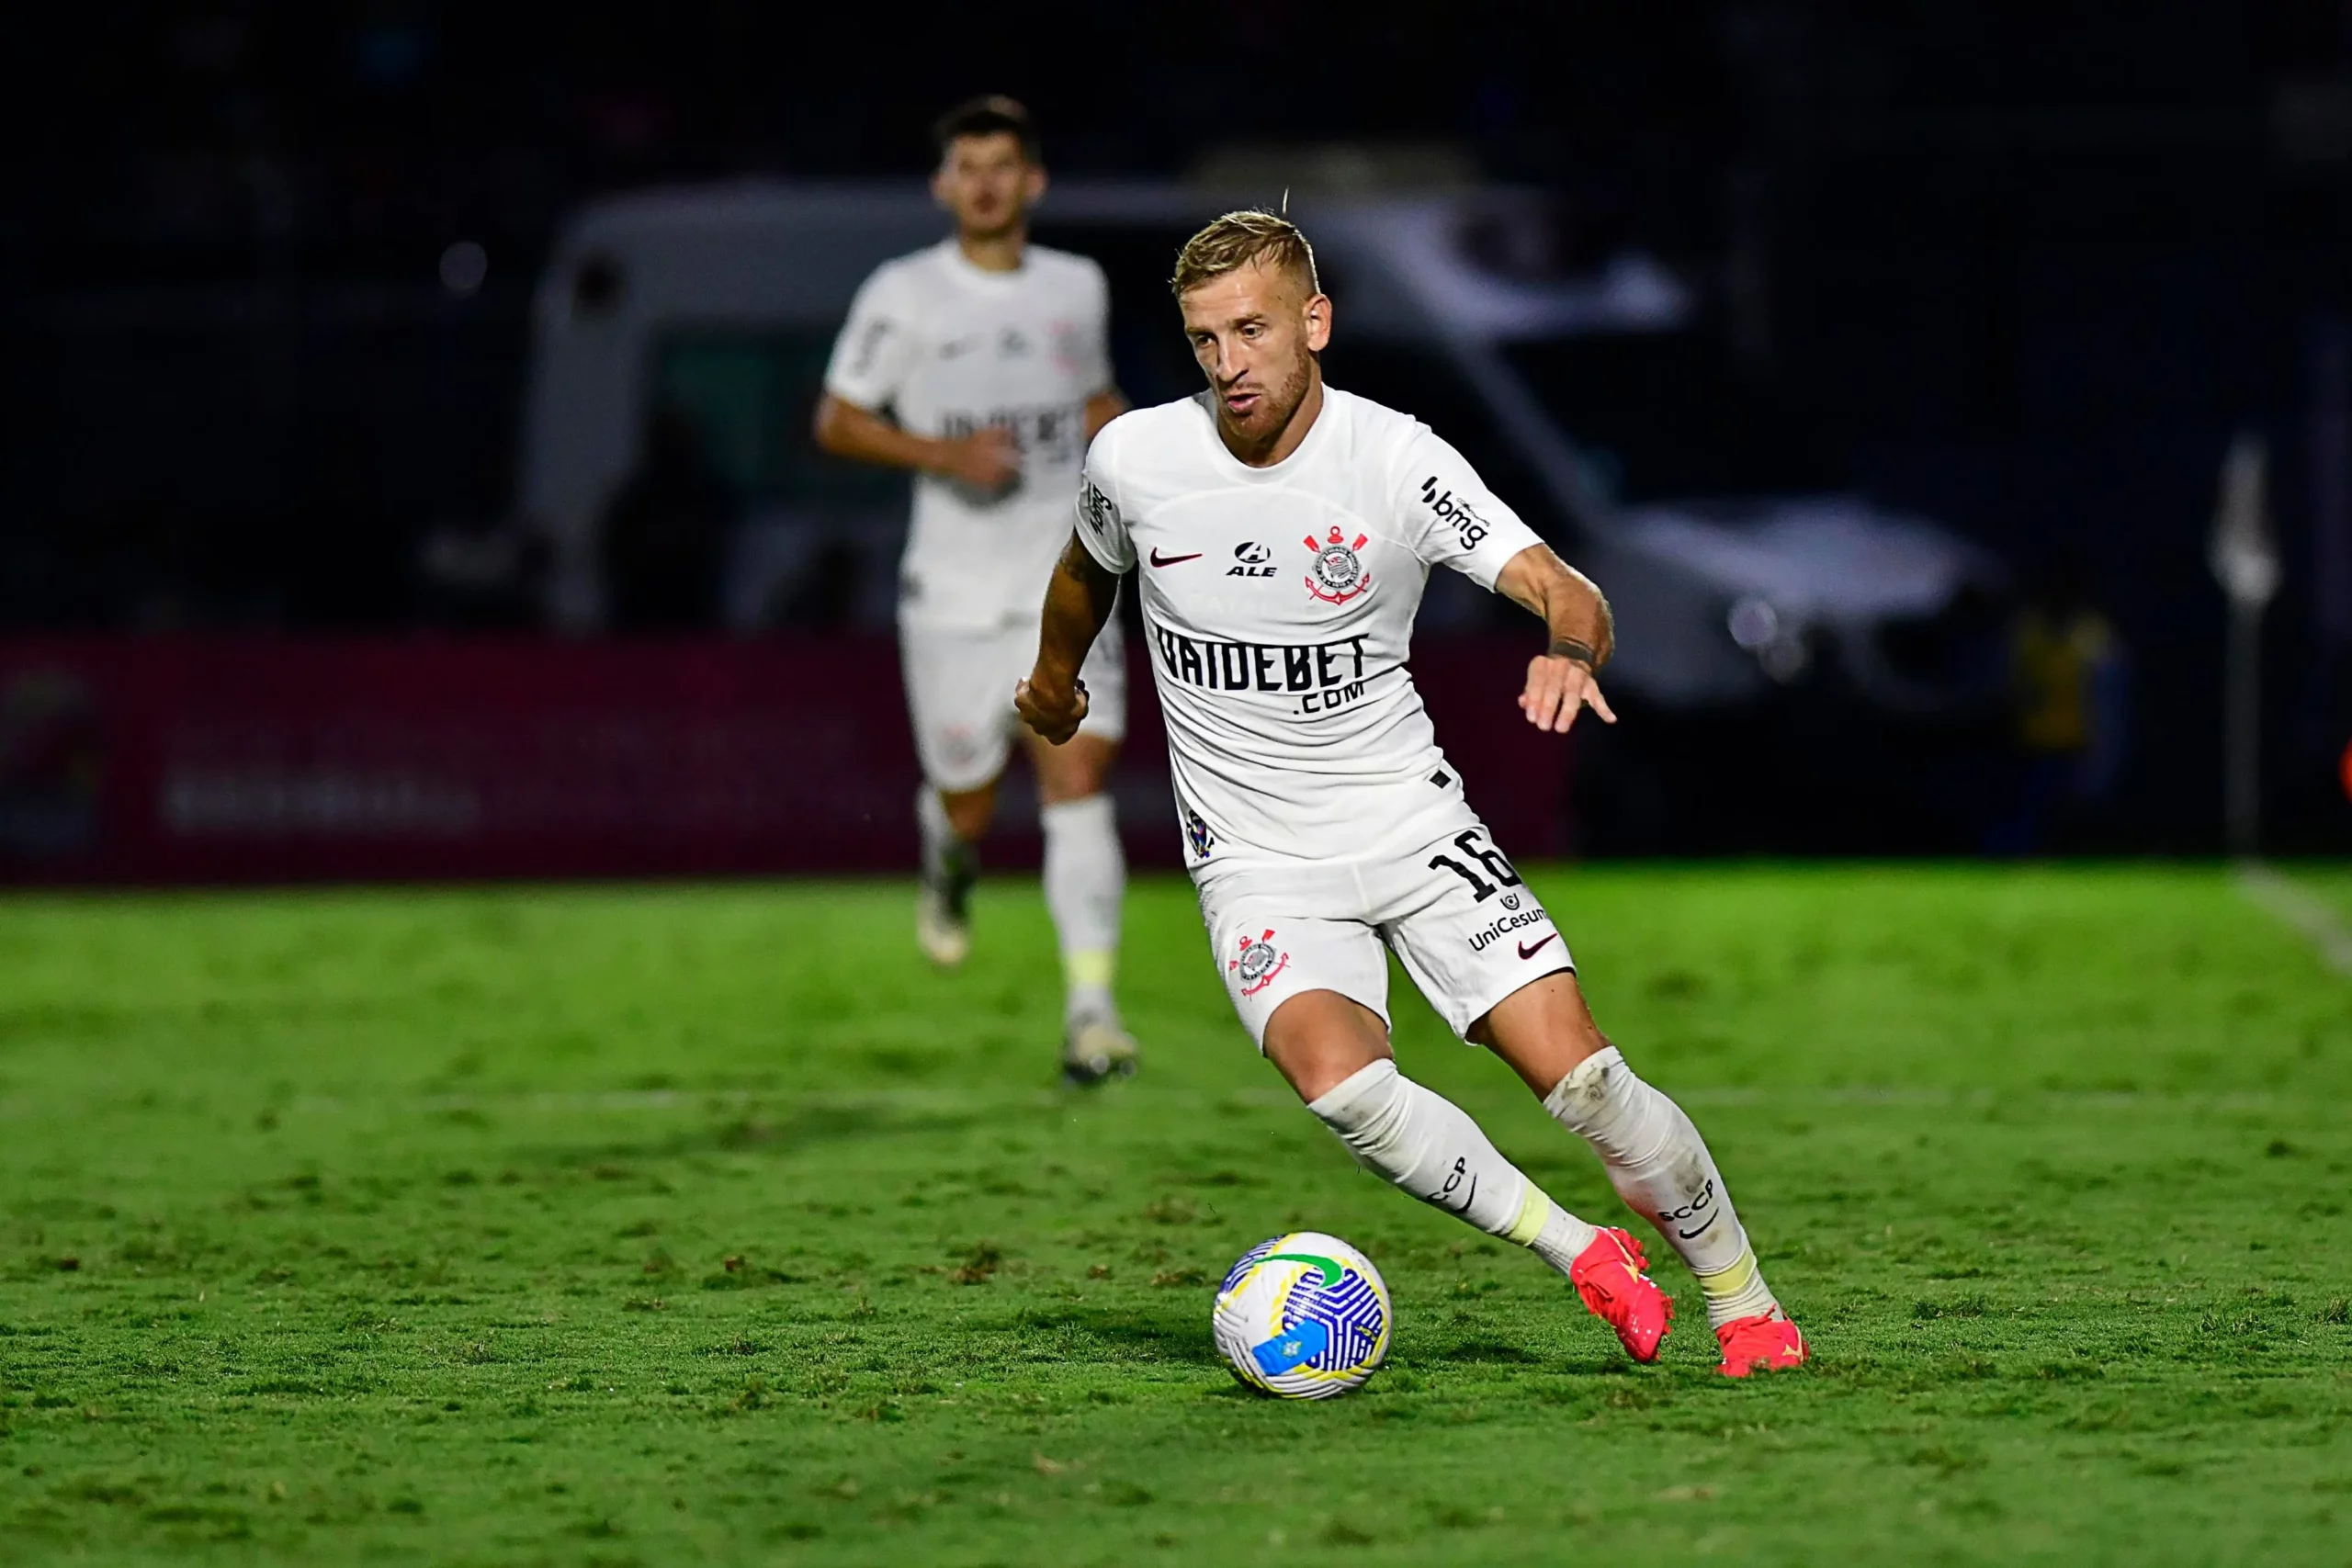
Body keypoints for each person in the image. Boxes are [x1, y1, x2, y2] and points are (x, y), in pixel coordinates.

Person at [1015, 211, 1808, 1376]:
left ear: (1315, 322)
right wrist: (1052, 678)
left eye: (1251, 330)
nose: (1228, 364)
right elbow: (1086, 570)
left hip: (1411, 827)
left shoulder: (1396, 461)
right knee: (1341, 1089)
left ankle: (1744, 1302)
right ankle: (1581, 1252)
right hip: (1255, 860)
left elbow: (1567, 588)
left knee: (1585, 1082)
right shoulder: (1135, 457)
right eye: (1203, 340)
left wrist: (1567, 650)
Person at [814, 96, 1136, 1085]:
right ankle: (947, 865)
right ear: (942, 185)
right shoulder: (905, 293)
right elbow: (837, 419)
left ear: (1032, 181)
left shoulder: (1077, 287)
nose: (986, 184)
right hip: (952, 593)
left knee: (1076, 781)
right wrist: (944, 454)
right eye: (969, 167)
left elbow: (1092, 399)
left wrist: (1132, 446)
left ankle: (1092, 1013)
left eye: (1003, 166)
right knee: (967, 804)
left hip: (1066, 576)